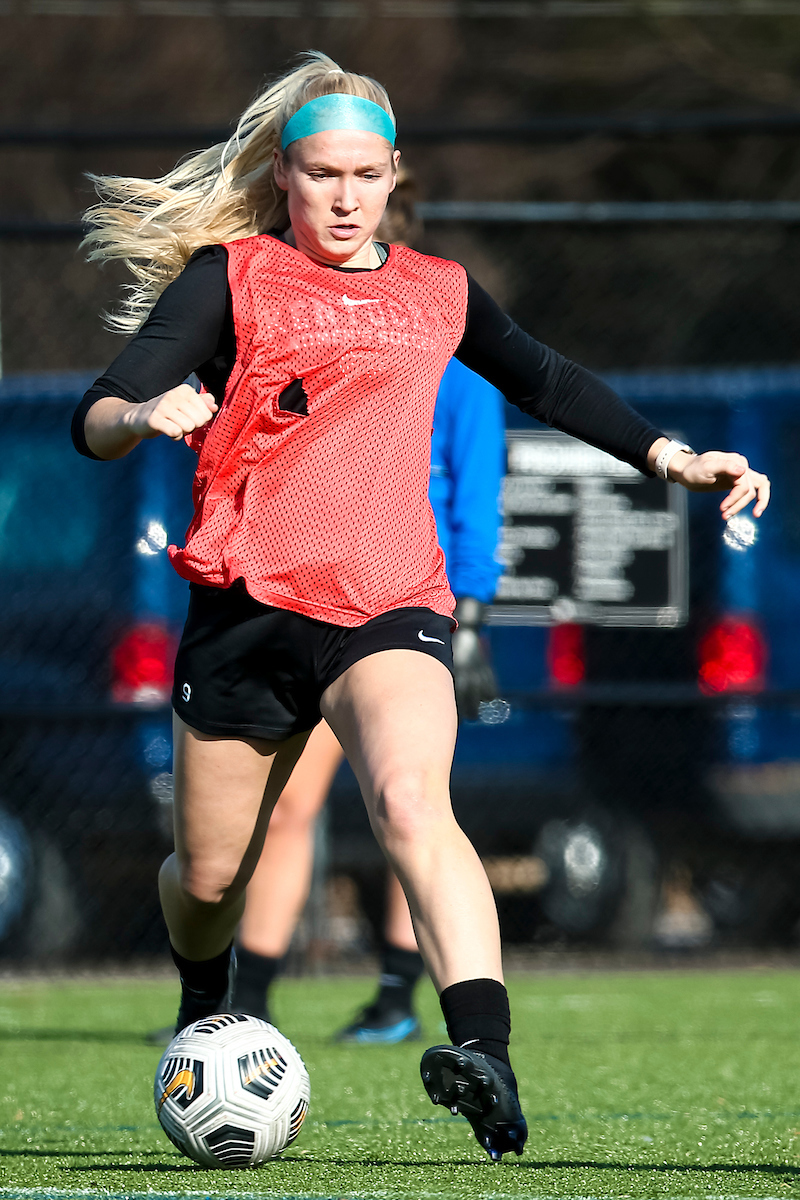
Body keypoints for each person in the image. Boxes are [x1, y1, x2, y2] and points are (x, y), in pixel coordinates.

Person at [72, 51, 770, 1162]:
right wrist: (144, 413)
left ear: (395, 172)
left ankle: (481, 1052)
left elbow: (545, 377)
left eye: (363, 173)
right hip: (246, 611)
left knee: (410, 803)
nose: (343, 197)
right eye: (318, 174)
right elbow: (98, 410)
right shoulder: (229, 277)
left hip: (387, 603)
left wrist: (672, 457)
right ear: (282, 176)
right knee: (206, 874)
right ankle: (207, 1002)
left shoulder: (437, 290)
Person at [228, 168, 505, 1045]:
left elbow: (478, 493)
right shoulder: (293, 336)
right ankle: (247, 1004)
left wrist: (472, 611)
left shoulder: (453, 351)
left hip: (408, 603)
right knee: (286, 809)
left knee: (411, 802)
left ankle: (399, 994)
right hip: (305, 598)